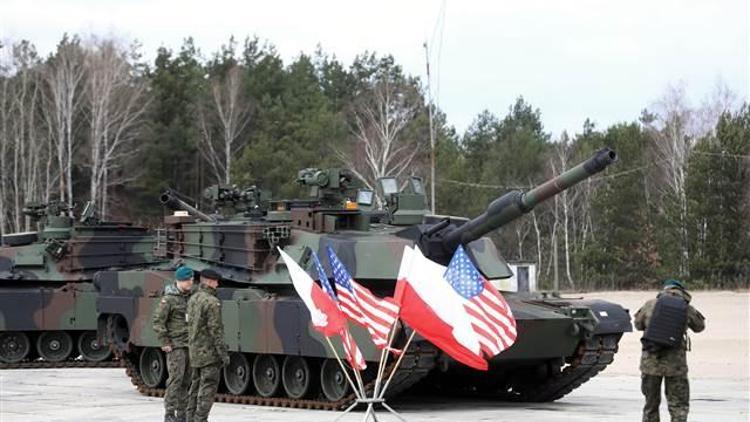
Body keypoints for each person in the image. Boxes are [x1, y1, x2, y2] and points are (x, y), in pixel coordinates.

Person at [634, 279, 706, 422]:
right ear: (681, 290)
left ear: (664, 289)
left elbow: (638, 324)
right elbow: (699, 327)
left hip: (651, 363)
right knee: (678, 406)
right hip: (676, 365)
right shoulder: (686, 307)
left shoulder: (651, 304)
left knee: (650, 406)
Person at [186, 268, 230, 422]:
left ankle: (190, 418)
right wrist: (223, 354)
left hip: (195, 351)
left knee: (195, 387)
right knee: (208, 388)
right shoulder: (212, 302)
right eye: (216, 281)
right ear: (210, 281)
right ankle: (201, 419)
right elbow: (216, 330)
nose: (217, 284)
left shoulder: (193, 298)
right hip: (209, 354)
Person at [152, 265, 195, 422]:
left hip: (189, 344)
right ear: (180, 280)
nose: (191, 282)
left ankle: (181, 413)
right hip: (175, 345)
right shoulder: (169, 299)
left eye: (191, 279)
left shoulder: (191, 297)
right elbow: (158, 321)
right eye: (188, 280)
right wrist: (165, 341)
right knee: (175, 380)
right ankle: (169, 414)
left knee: (186, 380)